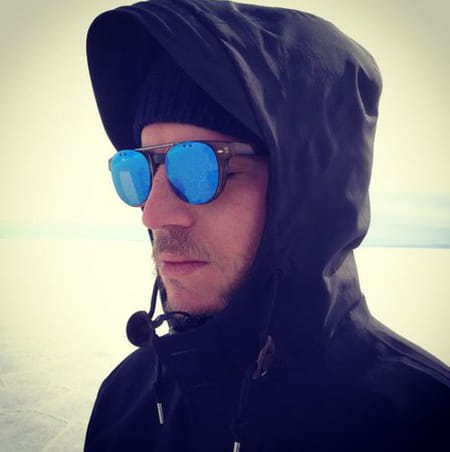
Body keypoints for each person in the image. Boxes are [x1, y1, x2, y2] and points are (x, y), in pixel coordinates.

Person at [84, 0, 449, 450]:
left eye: (198, 167)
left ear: (307, 188)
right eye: (139, 169)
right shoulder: (126, 401)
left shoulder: (425, 424)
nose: (153, 214)